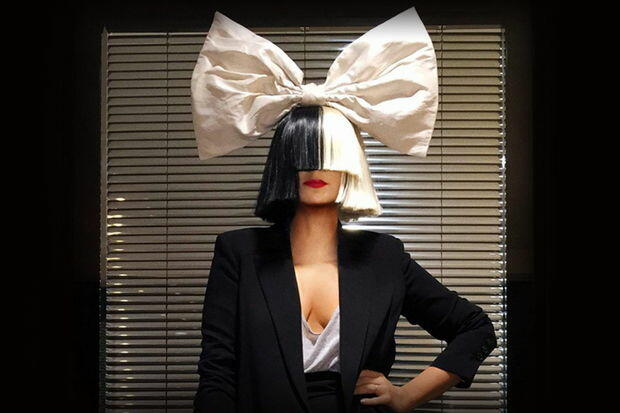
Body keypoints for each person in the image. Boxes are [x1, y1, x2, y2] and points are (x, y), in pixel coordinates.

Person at [190, 7, 497, 413]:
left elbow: (475, 329)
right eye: (304, 153)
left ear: (352, 163)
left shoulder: (384, 257)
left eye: (330, 154)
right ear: (284, 163)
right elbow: (217, 374)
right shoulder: (239, 253)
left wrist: (407, 395)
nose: (316, 168)